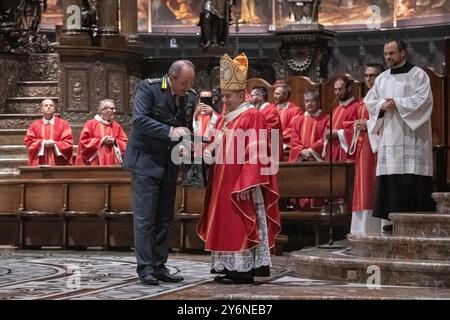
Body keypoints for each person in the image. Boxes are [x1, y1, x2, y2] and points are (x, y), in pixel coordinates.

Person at [197, 53, 281, 285]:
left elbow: (258, 150)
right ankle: (229, 268)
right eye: (223, 96)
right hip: (223, 181)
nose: (224, 101)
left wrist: (247, 181)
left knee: (241, 222)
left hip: (241, 184)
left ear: (241, 94)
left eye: (228, 96)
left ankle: (243, 270)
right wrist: (209, 149)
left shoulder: (252, 115)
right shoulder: (229, 117)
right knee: (226, 223)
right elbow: (220, 140)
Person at [122, 60, 197, 286]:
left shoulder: (190, 96)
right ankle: (146, 268)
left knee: (164, 218)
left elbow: (187, 126)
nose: (187, 87)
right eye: (184, 83)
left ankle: (159, 265)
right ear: (172, 78)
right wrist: (170, 131)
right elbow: (140, 120)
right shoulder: (149, 88)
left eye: (190, 83)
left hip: (169, 163)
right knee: (145, 219)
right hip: (145, 162)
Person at [364, 38, 435, 232]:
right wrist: (381, 105)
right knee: (393, 180)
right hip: (390, 136)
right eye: (386, 53)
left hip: (412, 136)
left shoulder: (418, 75)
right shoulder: (382, 78)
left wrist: (397, 103)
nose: (388, 57)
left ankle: (417, 224)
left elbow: (424, 101)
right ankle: (390, 222)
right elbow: (369, 101)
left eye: (392, 53)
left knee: (412, 178)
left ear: (403, 53)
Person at [346, 63, 384, 234]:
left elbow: (388, 122)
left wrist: (367, 124)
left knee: (375, 186)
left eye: (373, 75)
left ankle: (378, 228)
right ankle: (362, 230)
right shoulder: (364, 100)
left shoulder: (384, 98)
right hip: (364, 148)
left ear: (381, 77)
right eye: (367, 75)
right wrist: (358, 125)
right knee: (363, 186)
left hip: (378, 147)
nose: (369, 79)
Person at [288, 90, 329, 209]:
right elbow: (294, 139)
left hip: (317, 161)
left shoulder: (326, 119)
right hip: (302, 160)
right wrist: (302, 151)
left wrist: (311, 151)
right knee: (301, 190)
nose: (309, 104)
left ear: (318, 102)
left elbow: (325, 138)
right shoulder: (298, 120)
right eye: (306, 101)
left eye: (312, 101)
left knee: (317, 189)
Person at [75, 99, 128, 166]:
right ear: (103, 110)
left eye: (114, 109)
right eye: (112, 109)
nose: (114, 111)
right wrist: (101, 141)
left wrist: (115, 141)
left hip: (113, 163)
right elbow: (84, 142)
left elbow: (125, 143)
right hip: (95, 163)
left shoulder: (116, 126)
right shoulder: (90, 124)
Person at [24, 98, 74, 166]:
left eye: (51, 105)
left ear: (54, 109)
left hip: (58, 161)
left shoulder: (63, 124)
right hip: (40, 161)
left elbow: (68, 142)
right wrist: (42, 143)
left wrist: (55, 144)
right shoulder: (34, 125)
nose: (48, 107)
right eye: (46, 105)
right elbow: (29, 142)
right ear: (41, 109)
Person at [322, 76, 359, 162]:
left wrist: (338, 133)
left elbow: (357, 129)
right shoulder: (335, 109)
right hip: (332, 152)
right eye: (335, 90)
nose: (337, 92)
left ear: (349, 88)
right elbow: (327, 127)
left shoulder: (357, 106)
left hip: (346, 154)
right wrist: (327, 132)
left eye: (340, 89)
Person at [250, 86, 283, 160]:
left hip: (271, 151)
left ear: (260, 97)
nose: (250, 99)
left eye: (252, 96)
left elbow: (269, 131)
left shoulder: (270, 110)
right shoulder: (258, 110)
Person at [273, 82, 302, 153]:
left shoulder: (295, 110)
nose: (274, 96)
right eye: (274, 93)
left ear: (286, 95)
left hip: (286, 144)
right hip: (272, 143)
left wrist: (278, 137)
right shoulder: (272, 109)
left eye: (278, 94)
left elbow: (292, 128)